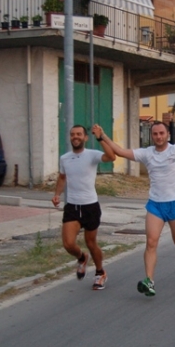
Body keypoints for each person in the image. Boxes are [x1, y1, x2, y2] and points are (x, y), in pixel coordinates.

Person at [101, 119, 175, 297]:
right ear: (152, 136)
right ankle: (149, 281)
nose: (158, 136)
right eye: (155, 134)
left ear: (167, 135)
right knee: (151, 242)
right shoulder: (147, 154)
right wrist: (103, 136)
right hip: (155, 204)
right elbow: (121, 152)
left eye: (161, 133)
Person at [52, 124, 116, 290]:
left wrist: (100, 137)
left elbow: (111, 157)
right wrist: (57, 194)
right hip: (72, 206)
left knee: (91, 243)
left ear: (85, 137)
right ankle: (82, 258)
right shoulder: (65, 158)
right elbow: (62, 177)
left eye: (79, 134)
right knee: (68, 244)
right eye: (73, 134)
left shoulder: (92, 155)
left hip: (90, 206)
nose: (75, 137)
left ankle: (100, 272)